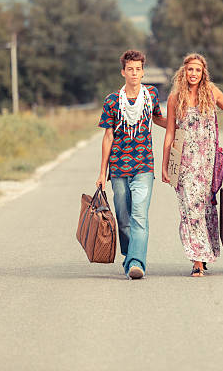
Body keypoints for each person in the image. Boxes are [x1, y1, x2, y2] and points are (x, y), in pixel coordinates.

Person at [162, 53, 223, 277]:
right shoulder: (175, 98)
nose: (193, 74)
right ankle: (196, 259)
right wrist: (165, 166)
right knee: (189, 208)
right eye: (190, 70)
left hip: (207, 161)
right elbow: (170, 134)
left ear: (203, 73)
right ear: (183, 72)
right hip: (184, 162)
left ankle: (204, 255)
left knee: (205, 208)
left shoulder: (212, 92)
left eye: (197, 70)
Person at [96, 49, 167, 280]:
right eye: (130, 69)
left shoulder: (152, 95)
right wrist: (101, 173)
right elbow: (108, 137)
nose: (134, 73)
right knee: (124, 218)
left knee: (139, 216)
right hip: (118, 168)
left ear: (143, 72)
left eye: (138, 69)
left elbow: (157, 118)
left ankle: (137, 262)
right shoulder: (112, 100)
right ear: (123, 72)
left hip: (144, 165)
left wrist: (178, 126)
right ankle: (129, 254)